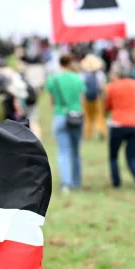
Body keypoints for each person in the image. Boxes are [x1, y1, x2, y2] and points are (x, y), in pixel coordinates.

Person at [105, 64, 135, 188]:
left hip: (118, 124)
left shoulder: (112, 86)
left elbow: (107, 106)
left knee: (113, 155)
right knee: (132, 154)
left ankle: (116, 182)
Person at [46, 54, 86, 194]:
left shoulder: (53, 79)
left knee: (63, 151)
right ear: (71, 63)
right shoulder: (78, 78)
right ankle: (76, 181)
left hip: (60, 115)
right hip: (76, 116)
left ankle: (66, 183)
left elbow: (51, 101)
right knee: (76, 151)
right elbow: (82, 100)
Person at [80, 54, 107, 140]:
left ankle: (88, 134)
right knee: (99, 115)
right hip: (97, 97)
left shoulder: (82, 75)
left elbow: (81, 89)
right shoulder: (100, 74)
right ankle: (101, 131)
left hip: (86, 98)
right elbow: (102, 87)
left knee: (87, 116)